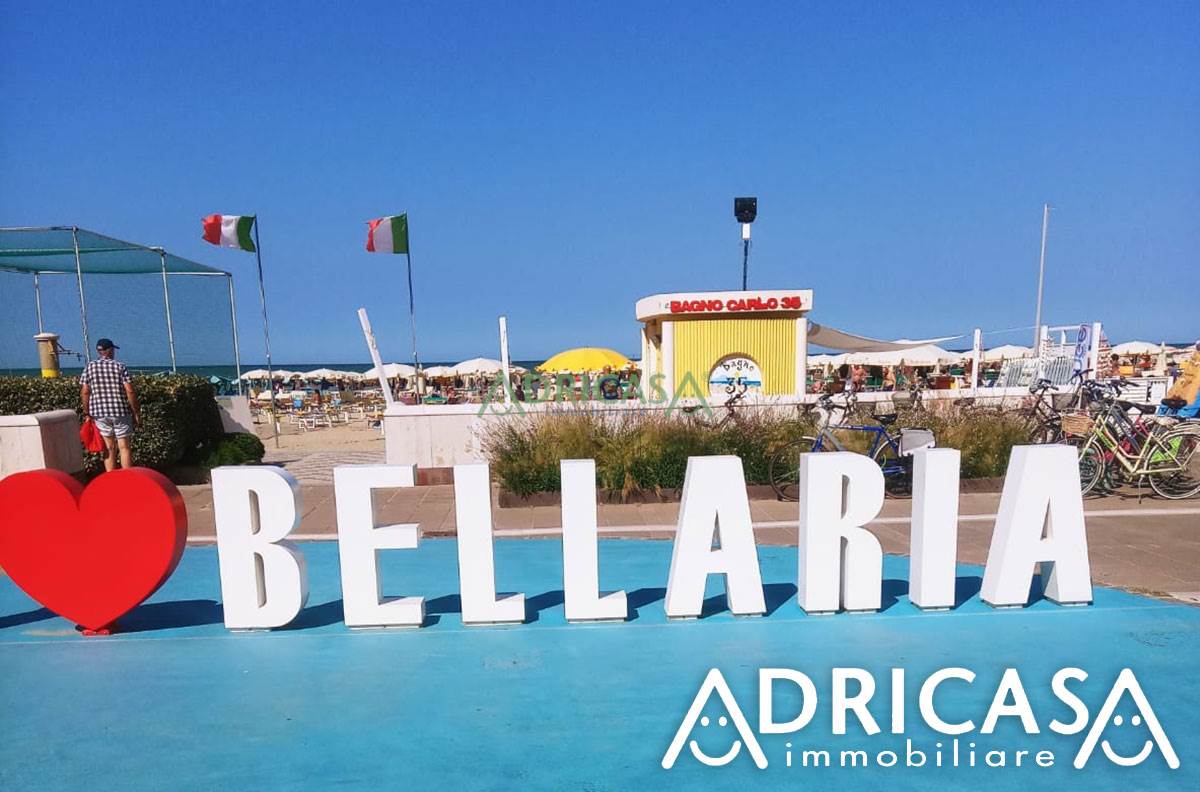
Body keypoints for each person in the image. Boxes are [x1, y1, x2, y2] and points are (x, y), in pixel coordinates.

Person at [79, 338, 141, 471]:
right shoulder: (120, 366)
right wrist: (136, 411)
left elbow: (85, 391)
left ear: (99, 351)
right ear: (110, 350)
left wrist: (87, 412)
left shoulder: (90, 367)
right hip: (120, 411)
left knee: (109, 448)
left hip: (99, 413)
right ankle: (128, 478)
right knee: (124, 447)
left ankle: (110, 479)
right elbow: (129, 390)